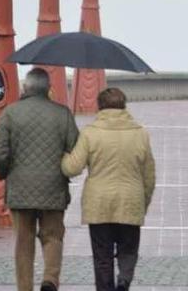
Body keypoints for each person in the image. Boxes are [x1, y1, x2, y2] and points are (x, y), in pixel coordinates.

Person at [0, 68, 79, 291]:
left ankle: (25, 287)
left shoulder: (10, 113)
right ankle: (50, 279)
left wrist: (5, 173)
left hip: (20, 188)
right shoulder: (62, 113)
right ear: (49, 89)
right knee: (53, 236)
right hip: (53, 187)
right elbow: (75, 148)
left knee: (23, 241)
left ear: (25, 88)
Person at [61, 88, 156, 291]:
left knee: (102, 256)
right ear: (124, 106)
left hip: (99, 204)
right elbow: (149, 176)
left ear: (100, 106)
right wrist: (143, 202)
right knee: (128, 250)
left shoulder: (90, 133)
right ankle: (124, 279)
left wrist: (62, 155)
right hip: (131, 200)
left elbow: (72, 168)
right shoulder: (140, 133)